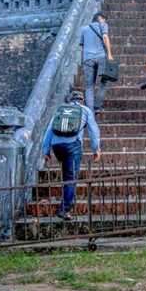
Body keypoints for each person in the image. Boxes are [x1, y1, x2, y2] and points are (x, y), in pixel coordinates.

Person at [42, 90, 101, 221]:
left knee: (66, 174)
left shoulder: (60, 110)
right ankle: (65, 210)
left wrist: (45, 151)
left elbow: (49, 131)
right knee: (71, 178)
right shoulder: (85, 110)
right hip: (73, 146)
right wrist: (96, 149)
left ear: (69, 100)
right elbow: (93, 131)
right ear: (82, 100)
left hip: (56, 146)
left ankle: (66, 207)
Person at [80, 12, 114, 113]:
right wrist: (109, 54)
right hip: (101, 57)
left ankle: (90, 112)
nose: (105, 22)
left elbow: (82, 46)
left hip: (88, 59)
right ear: (100, 18)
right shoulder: (103, 25)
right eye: (104, 19)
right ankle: (97, 106)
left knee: (89, 86)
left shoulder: (84, 29)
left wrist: (84, 60)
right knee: (104, 82)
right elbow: (105, 37)